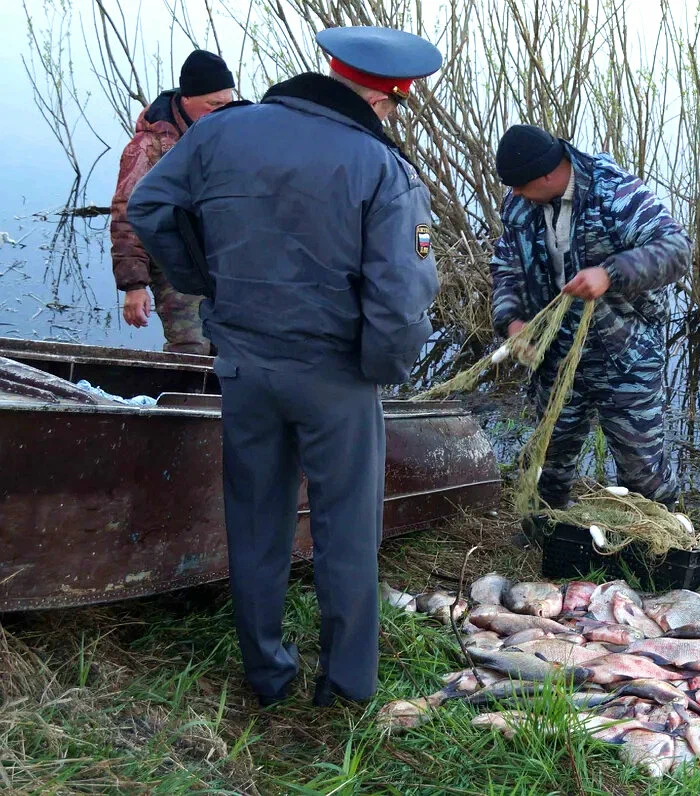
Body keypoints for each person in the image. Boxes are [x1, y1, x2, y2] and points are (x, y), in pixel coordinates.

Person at [126, 26, 442, 707]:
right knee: (346, 532)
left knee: (256, 517)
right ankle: (346, 687)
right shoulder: (380, 166)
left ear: (327, 71)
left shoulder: (220, 133)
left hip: (244, 362)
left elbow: (150, 208)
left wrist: (209, 284)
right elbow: (400, 294)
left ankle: (267, 674)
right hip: (335, 375)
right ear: (388, 98)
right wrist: (379, 369)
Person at [490, 124, 690, 511]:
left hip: (625, 351)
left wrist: (610, 273)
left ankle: (661, 545)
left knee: (642, 467)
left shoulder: (616, 194)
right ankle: (544, 531)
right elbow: (506, 267)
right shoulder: (519, 205)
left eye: (520, 185)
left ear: (548, 175)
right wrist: (512, 323)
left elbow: (676, 250)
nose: (513, 193)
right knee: (549, 457)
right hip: (556, 351)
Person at [110, 49, 235, 354]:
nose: (222, 112)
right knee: (191, 344)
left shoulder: (231, 135)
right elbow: (126, 215)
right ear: (187, 99)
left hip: (221, 258)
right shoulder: (146, 147)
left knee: (232, 342)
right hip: (171, 259)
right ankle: (179, 396)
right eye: (213, 104)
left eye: (228, 104)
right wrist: (134, 285)